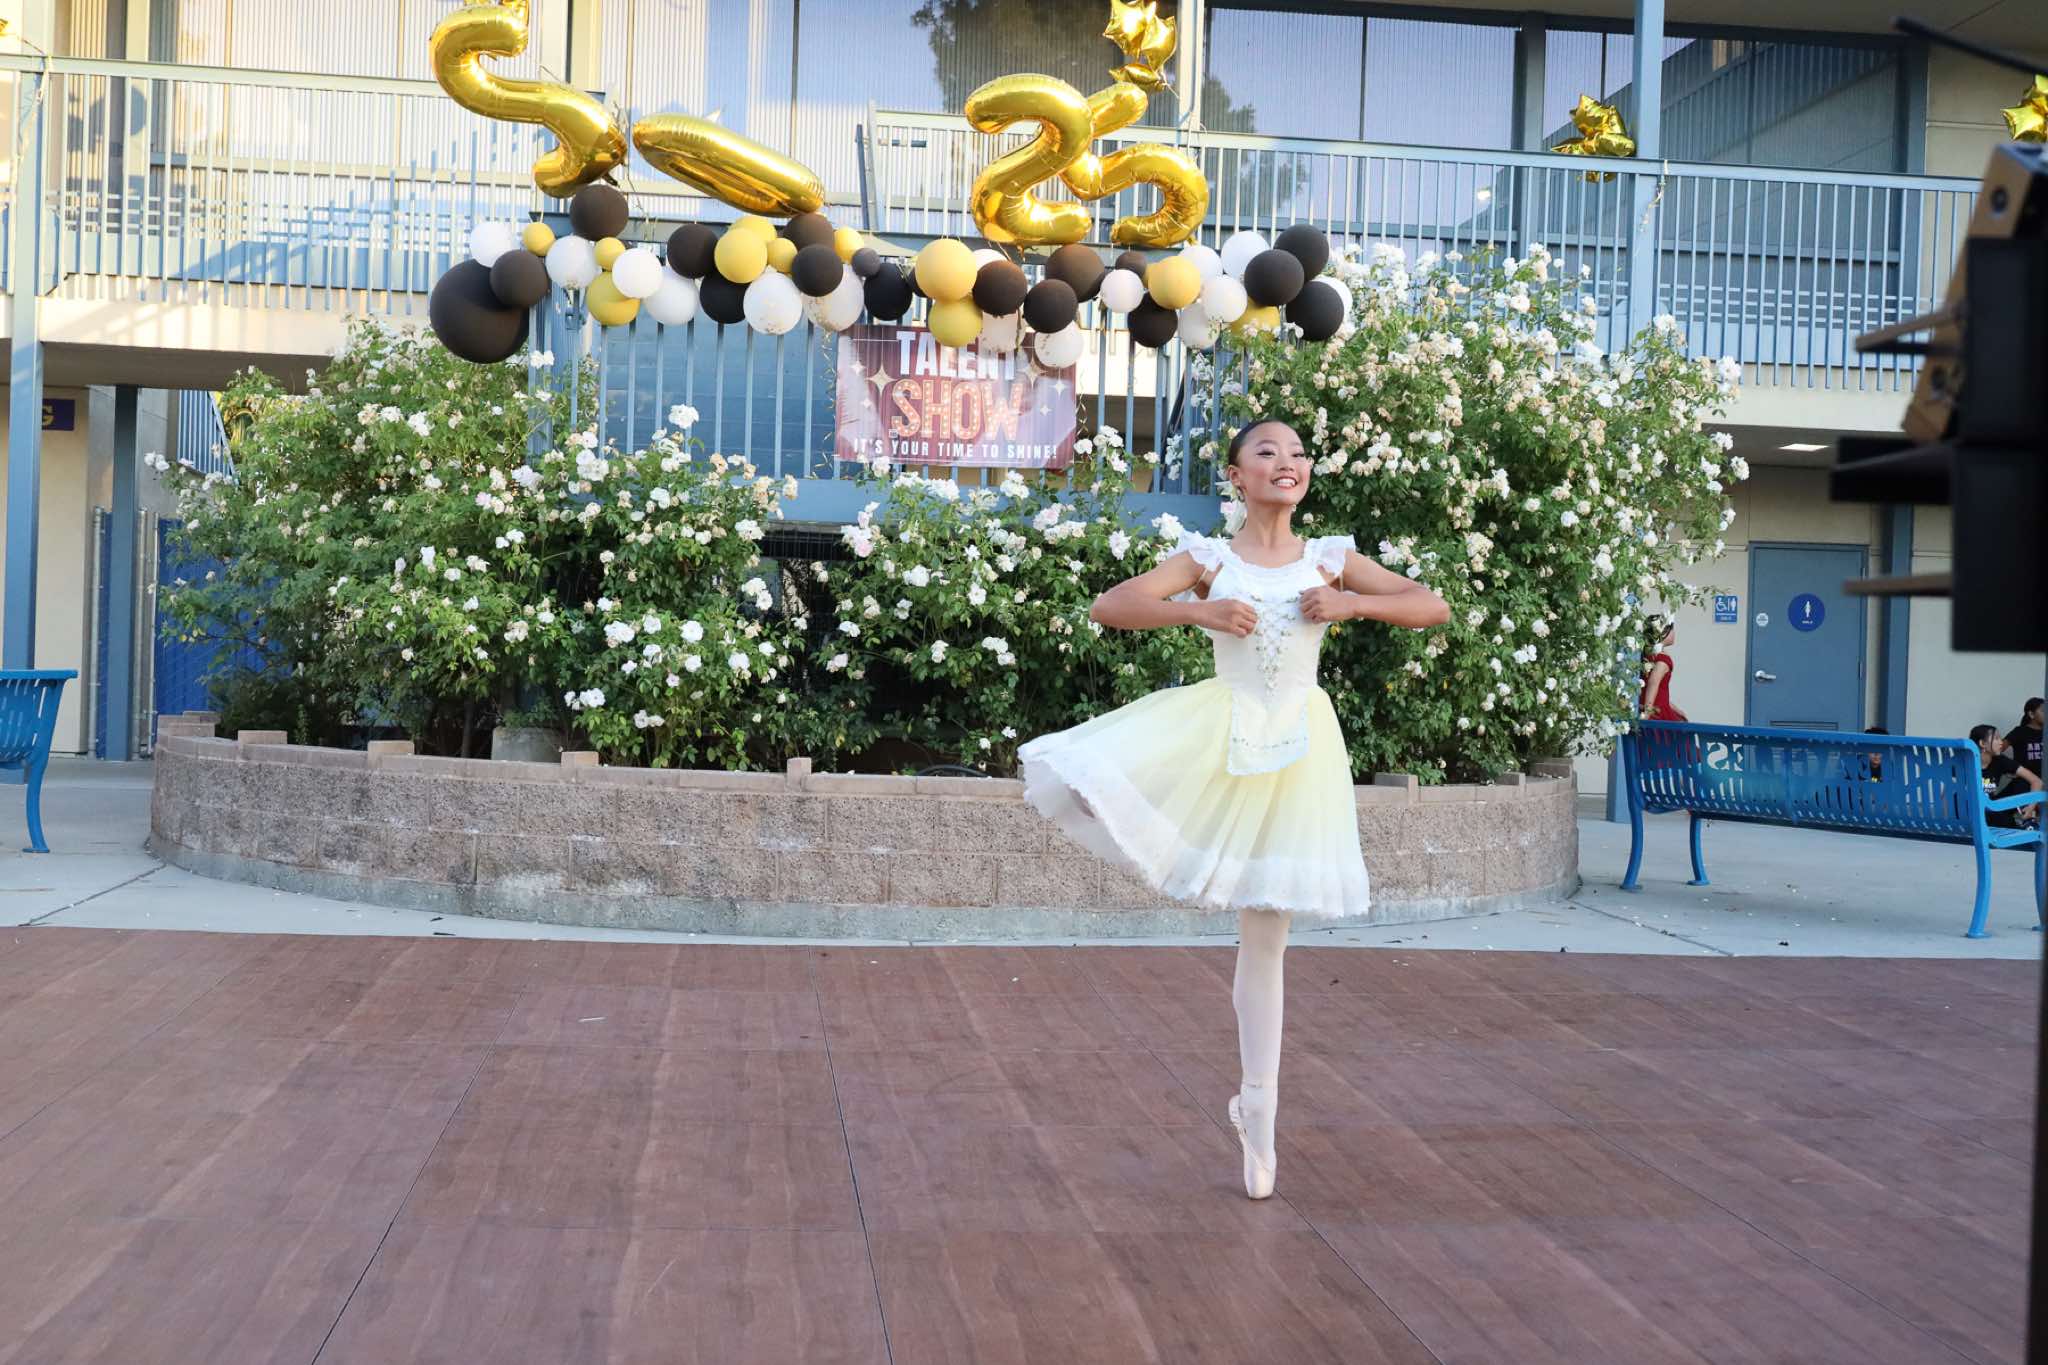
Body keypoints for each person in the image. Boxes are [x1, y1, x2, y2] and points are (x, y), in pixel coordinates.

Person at [1018, 417, 1449, 1201]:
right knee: (1103, 791)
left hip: (1300, 754)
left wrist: (1352, 604)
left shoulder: (1330, 557)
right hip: (1221, 736)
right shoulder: (1210, 559)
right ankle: (1255, 1108)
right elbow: (1113, 604)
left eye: (1298, 453)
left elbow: (1431, 605)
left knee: (1267, 935)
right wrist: (1201, 611)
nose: (1288, 462)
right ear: (1237, 475)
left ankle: (1258, 1113)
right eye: (1267, 451)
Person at [1972, 723, 2042, 827]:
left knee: (2023, 783)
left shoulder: (2000, 760)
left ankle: (2025, 820)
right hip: (1973, 811)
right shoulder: (1967, 761)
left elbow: (2036, 781)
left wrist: (2031, 806)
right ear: (1982, 743)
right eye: (1996, 738)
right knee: (2004, 821)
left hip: (1992, 807)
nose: (2001, 742)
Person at [1639, 617, 1686, 722]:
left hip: (1648, 705)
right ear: (1663, 634)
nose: (1674, 633)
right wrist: (1647, 713)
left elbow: (1660, 692)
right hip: (1656, 711)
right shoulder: (1663, 660)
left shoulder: (1648, 656)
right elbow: (1653, 683)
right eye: (1672, 629)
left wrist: (1676, 709)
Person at [2004, 698, 2043, 780]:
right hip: (2025, 781)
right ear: (2031, 714)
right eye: (2043, 710)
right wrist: (2008, 768)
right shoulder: (2019, 732)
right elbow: (1997, 749)